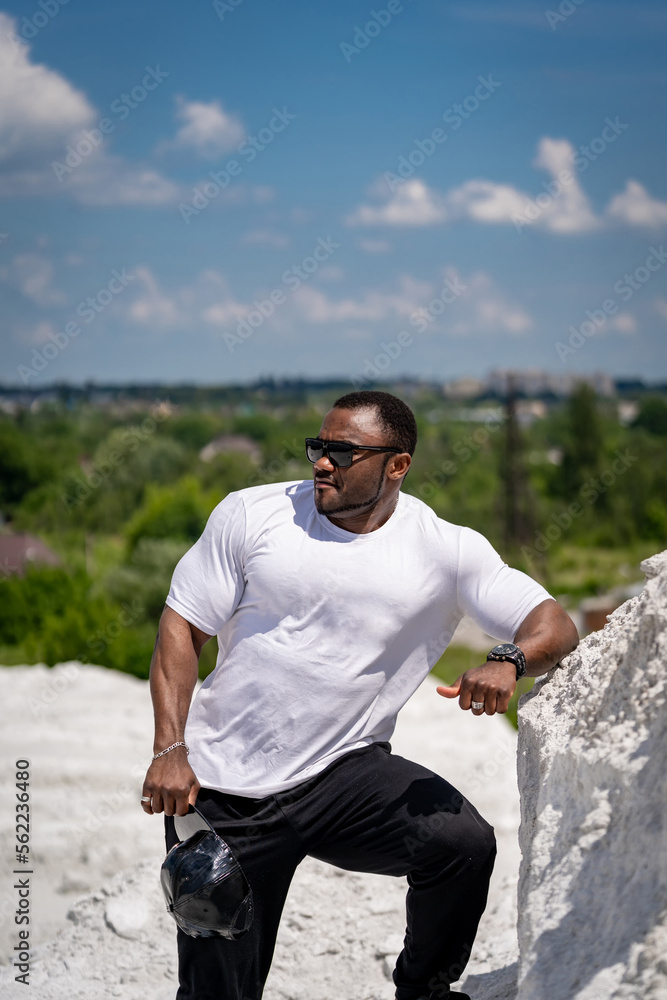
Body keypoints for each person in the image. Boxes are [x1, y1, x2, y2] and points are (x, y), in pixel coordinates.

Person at [141, 390, 578, 1000]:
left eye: (343, 453)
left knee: (460, 845)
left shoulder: (445, 550)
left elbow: (554, 626)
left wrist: (508, 659)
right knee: (218, 989)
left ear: (397, 464)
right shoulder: (252, 514)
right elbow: (182, 625)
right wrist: (170, 748)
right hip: (223, 788)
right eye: (319, 447)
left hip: (342, 773)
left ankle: (423, 990)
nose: (322, 463)